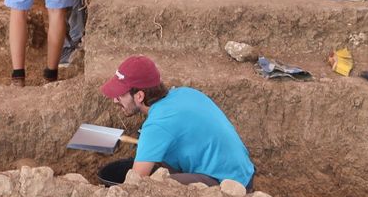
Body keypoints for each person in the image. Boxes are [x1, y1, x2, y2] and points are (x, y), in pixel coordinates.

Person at [101, 56, 255, 187]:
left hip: (231, 185)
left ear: (139, 96)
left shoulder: (157, 126)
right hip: (243, 171)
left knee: (153, 186)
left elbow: (133, 184)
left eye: (120, 95)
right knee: (160, 162)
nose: (115, 100)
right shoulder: (183, 93)